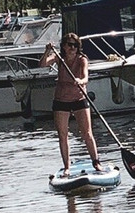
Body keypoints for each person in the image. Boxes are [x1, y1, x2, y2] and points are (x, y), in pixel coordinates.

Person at [40, 32, 102, 175]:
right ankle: (67, 167)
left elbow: (85, 77)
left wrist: (80, 81)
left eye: (75, 45)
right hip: (61, 101)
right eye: (70, 45)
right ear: (64, 46)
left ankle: (96, 162)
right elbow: (43, 64)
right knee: (63, 135)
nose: (72, 48)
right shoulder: (59, 57)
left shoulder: (82, 59)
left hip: (79, 99)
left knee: (87, 133)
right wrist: (47, 50)